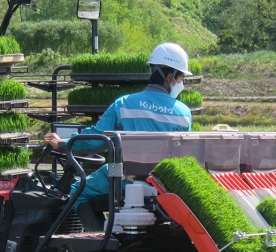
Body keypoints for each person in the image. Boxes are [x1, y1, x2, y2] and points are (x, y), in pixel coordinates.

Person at [44, 42, 192, 230]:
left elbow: (95, 139)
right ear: (170, 77)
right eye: (180, 78)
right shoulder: (184, 113)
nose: (181, 83)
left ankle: (98, 242)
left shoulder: (124, 104)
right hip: (164, 185)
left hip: (125, 181)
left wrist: (63, 144)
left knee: (78, 191)